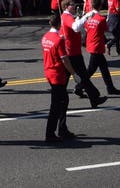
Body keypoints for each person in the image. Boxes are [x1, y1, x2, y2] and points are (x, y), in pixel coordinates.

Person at [41, 11, 79, 143]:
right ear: (60, 24)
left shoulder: (45, 37)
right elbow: (65, 60)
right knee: (56, 105)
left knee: (63, 101)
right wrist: (74, 74)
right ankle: (51, 133)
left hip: (49, 71)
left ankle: (62, 128)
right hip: (57, 74)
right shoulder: (58, 40)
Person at [60, 0, 105, 108]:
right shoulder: (66, 17)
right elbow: (75, 27)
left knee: (78, 77)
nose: (74, 6)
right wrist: (86, 16)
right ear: (66, 6)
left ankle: (94, 98)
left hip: (72, 51)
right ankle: (94, 97)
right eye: (72, 4)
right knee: (82, 76)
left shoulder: (68, 17)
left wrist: (80, 17)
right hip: (72, 53)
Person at [85, 0, 120, 95]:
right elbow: (107, 29)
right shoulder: (101, 19)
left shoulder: (89, 18)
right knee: (91, 70)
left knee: (104, 69)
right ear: (100, 7)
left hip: (91, 44)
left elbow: (86, 28)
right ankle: (79, 86)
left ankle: (110, 88)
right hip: (97, 46)